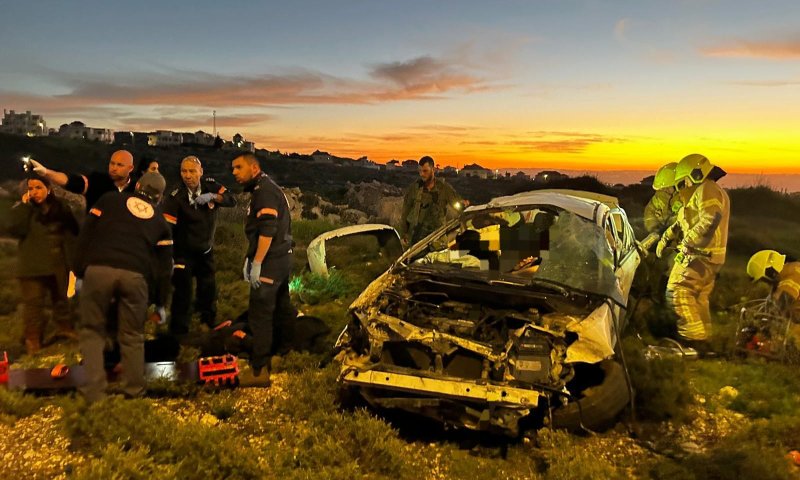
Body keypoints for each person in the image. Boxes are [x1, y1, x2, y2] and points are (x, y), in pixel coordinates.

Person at [73, 172, 173, 403]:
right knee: (132, 336)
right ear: (160, 196)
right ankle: (134, 392)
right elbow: (163, 269)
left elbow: (85, 236)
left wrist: (79, 272)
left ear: (137, 185)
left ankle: (94, 392)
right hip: (135, 276)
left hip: (99, 270)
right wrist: (160, 303)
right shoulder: (161, 221)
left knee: (92, 332)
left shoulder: (108, 200)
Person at [656, 153, 729, 351]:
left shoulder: (707, 189)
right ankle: (705, 339)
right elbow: (683, 221)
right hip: (708, 256)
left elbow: (710, 219)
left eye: (679, 184)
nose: (678, 189)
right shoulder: (702, 191)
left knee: (678, 291)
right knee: (699, 298)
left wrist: (687, 243)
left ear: (693, 175)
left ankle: (693, 341)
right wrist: (665, 238)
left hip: (701, 255)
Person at [231, 153, 295, 381]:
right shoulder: (265, 188)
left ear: (254, 168)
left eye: (239, 167)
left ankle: (259, 369)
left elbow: (268, 230)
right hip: (281, 258)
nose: (234, 172)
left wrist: (257, 261)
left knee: (260, 314)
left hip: (271, 261)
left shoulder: (265, 192)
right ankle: (285, 353)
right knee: (281, 308)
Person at [162, 155, 236, 335]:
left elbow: (231, 200)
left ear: (201, 172)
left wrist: (213, 197)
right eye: (184, 171)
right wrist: (166, 256)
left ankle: (207, 324)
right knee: (183, 293)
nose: (188, 175)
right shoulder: (175, 195)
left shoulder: (211, 186)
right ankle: (179, 333)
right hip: (182, 253)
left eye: (192, 171)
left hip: (205, 251)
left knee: (208, 289)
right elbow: (167, 228)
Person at [6, 177, 80, 354]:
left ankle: (64, 329)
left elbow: (73, 230)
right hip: (32, 265)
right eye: (31, 188)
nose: (34, 192)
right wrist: (23, 206)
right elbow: (14, 228)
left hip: (58, 262)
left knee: (61, 299)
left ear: (48, 188)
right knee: (33, 304)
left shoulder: (60, 207)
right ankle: (33, 339)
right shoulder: (26, 209)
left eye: (38, 187)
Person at [25, 150, 137, 211]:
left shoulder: (137, 188)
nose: (114, 168)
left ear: (130, 168)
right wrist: (46, 172)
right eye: (112, 163)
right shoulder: (98, 181)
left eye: (120, 165)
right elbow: (71, 182)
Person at [399, 156, 467, 246]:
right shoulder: (415, 188)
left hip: (437, 239)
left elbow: (457, 204)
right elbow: (405, 212)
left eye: (425, 171)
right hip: (417, 240)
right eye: (420, 171)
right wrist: (404, 234)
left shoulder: (444, 188)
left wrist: (463, 206)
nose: (422, 174)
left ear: (433, 169)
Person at [644, 162, 682, 235]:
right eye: (663, 188)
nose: (665, 190)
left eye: (668, 187)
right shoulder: (657, 199)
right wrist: (656, 230)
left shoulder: (685, 198)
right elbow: (649, 215)